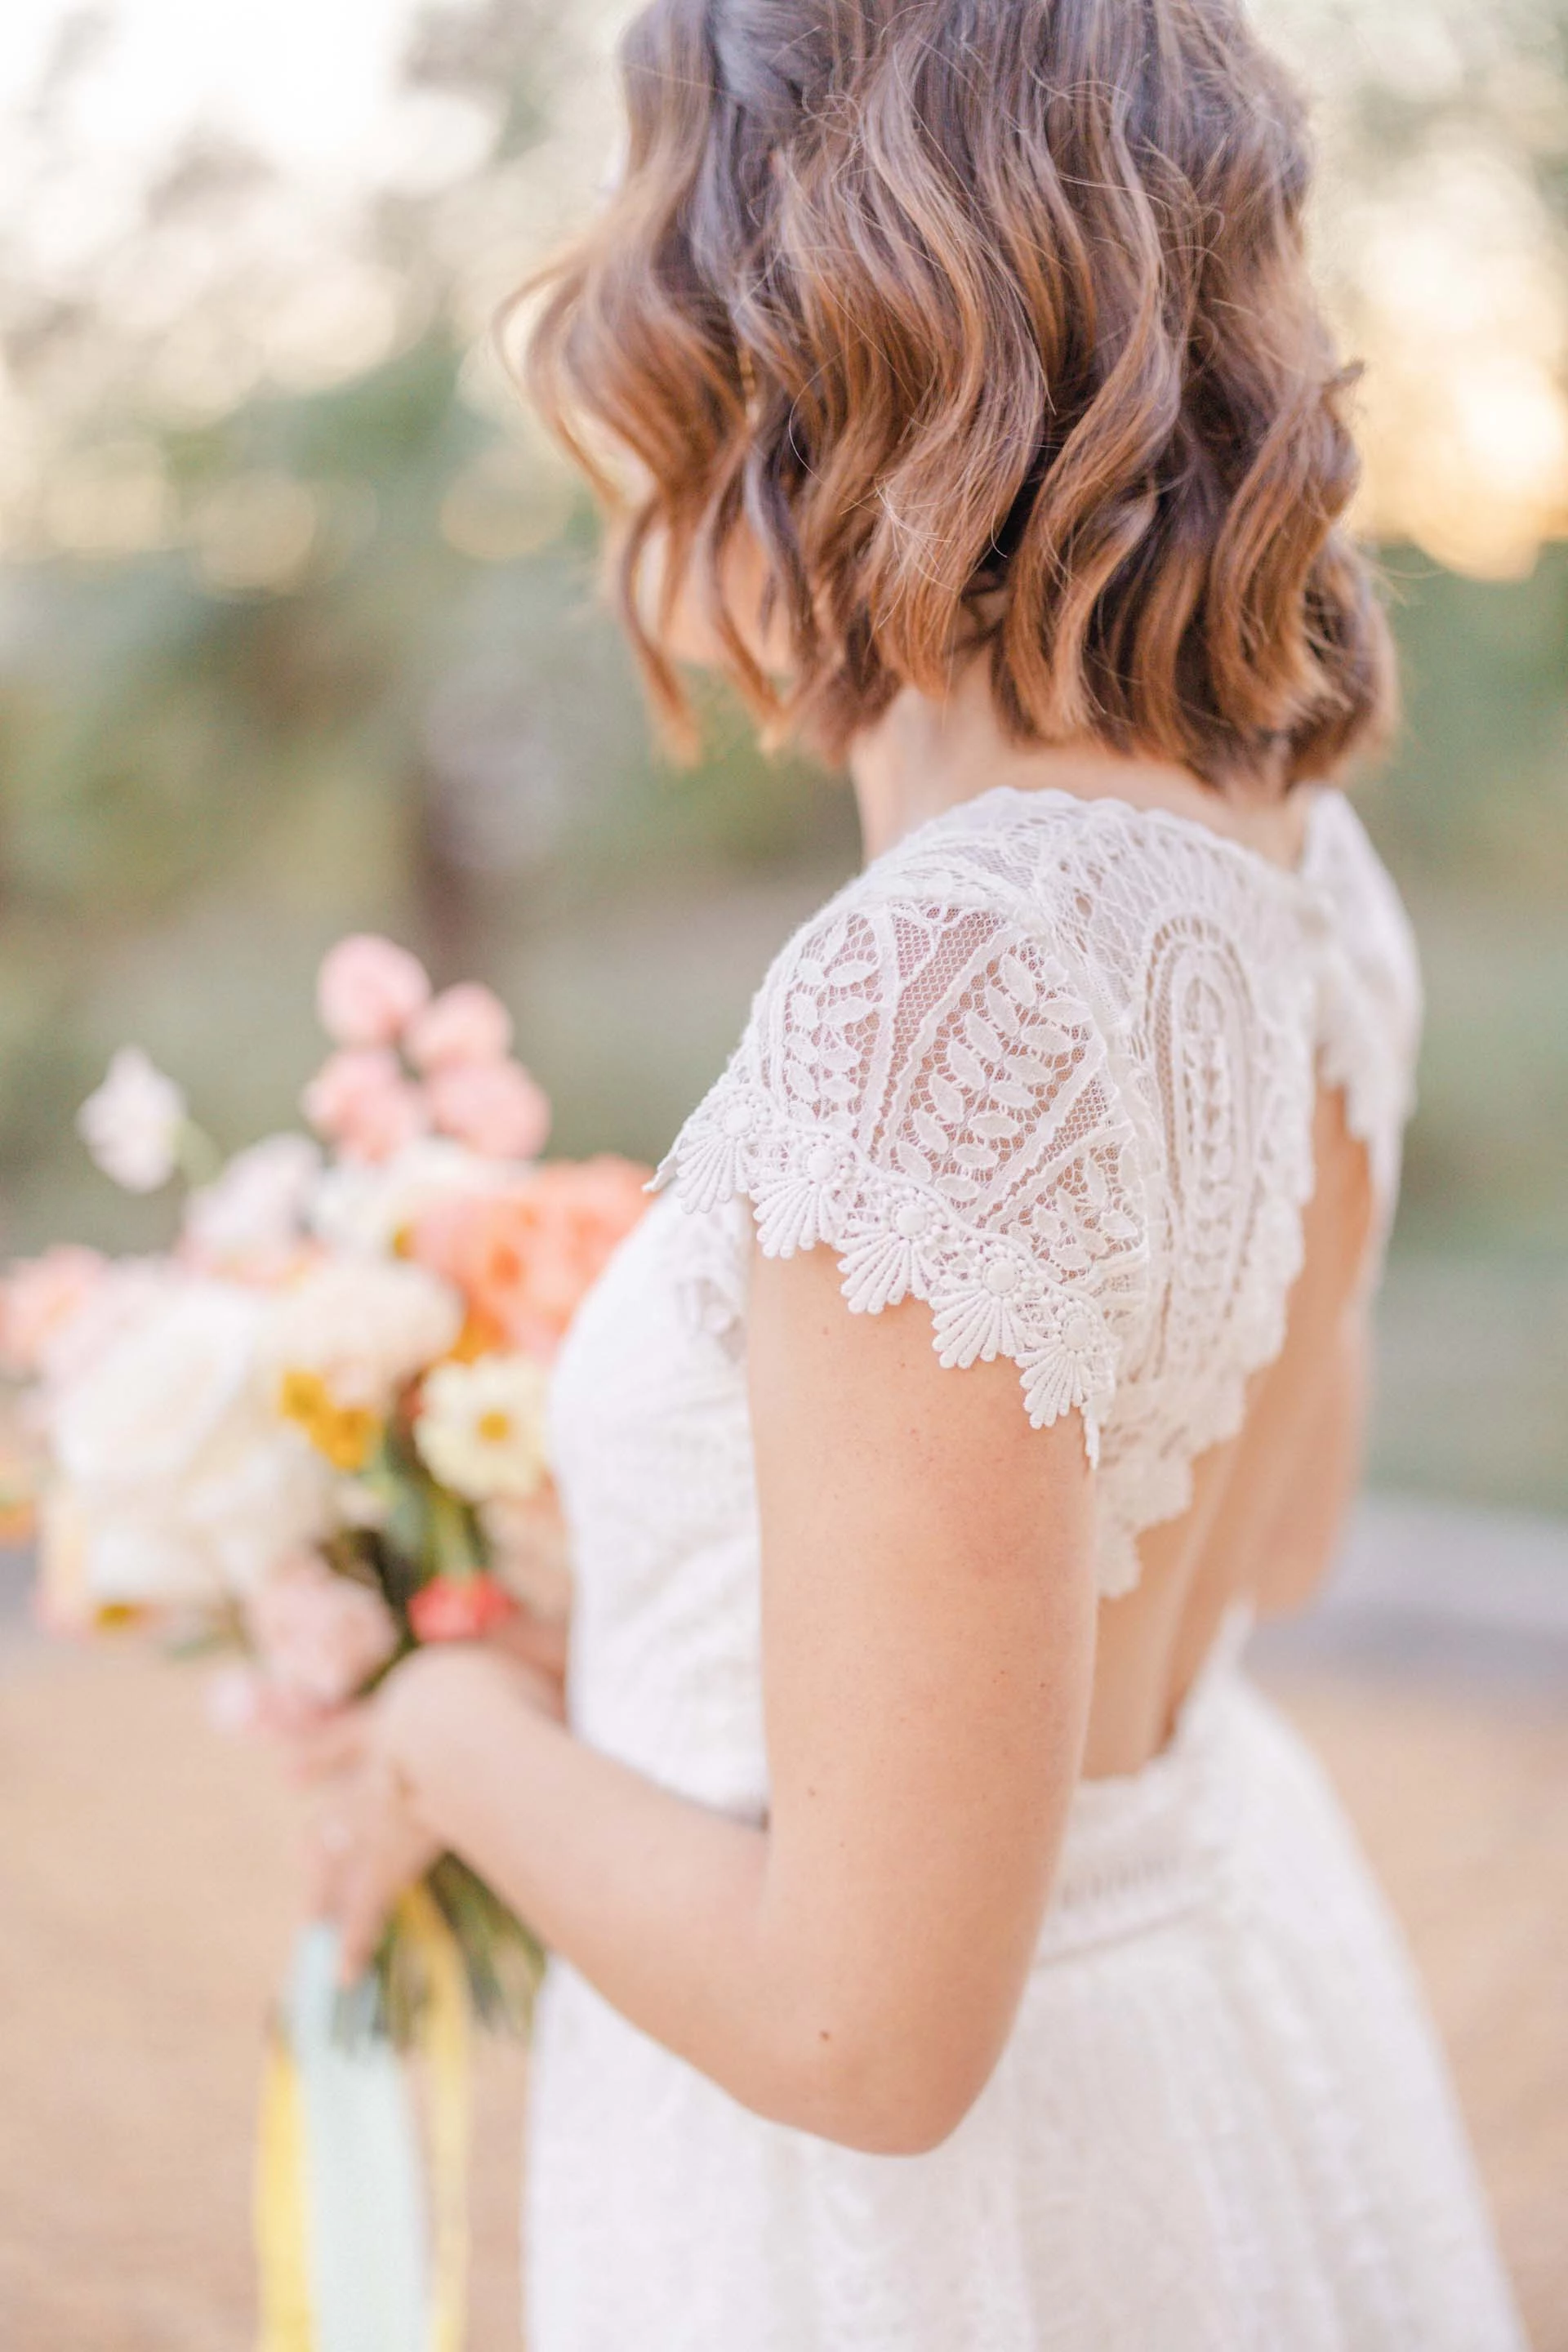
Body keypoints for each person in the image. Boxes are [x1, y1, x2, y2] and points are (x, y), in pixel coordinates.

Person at [296, 4, 1529, 2343]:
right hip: (1202, 2023)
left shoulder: (942, 993)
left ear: (783, 351)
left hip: (906, 2254)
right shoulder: (1301, 876)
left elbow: (868, 2040)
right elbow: (1257, 1535)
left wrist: (442, 1725)